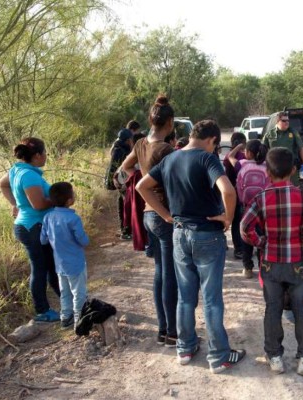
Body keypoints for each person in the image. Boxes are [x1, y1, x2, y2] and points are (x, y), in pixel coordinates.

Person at [136, 119, 246, 374]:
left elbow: (142, 186)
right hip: (207, 235)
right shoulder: (208, 159)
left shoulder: (171, 158)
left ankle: (185, 348)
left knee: (185, 296)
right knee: (211, 299)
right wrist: (228, 218)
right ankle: (219, 356)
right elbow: (228, 191)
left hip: (179, 234)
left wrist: (165, 214)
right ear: (212, 141)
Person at [241, 147, 303, 377]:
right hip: (297, 262)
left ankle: (275, 357)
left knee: (273, 309)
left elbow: (244, 227)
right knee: (301, 310)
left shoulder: (260, 198)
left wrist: (261, 243)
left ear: (267, 172)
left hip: (270, 262)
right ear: (293, 170)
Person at [121, 95, 177, 346]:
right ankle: (172, 332)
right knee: (170, 276)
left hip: (146, 214)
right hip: (162, 214)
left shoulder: (141, 143)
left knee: (159, 273)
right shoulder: (166, 149)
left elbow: (125, 168)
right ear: (171, 122)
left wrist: (140, 179)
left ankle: (163, 329)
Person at [0, 137, 61, 322]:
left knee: (50, 266)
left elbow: (2, 184)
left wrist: (15, 204)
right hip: (32, 228)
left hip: (32, 226)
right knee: (41, 268)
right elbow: (39, 204)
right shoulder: (29, 176)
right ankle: (42, 311)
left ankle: (70, 301)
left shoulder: (17, 169)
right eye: (45, 153)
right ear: (37, 155)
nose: (46, 156)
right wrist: (60, 199)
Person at [40, 182, 89, 330]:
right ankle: (79, 321)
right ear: (69, 201)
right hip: (76, 263)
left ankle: (65, 318)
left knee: (65, 292)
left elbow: (43, 240)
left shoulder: (48, 217)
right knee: (79, 293)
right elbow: (83, 240)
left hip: (59, 264)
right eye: (72, 194)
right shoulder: (73, 219)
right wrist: (86, 239)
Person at [228, 139, 269, 278]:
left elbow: (229, 157)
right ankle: (263, 267)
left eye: (245, 151)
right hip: (264, 208)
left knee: (246, 236)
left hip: (246, 208)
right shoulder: (267, 166)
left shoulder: (242, 164)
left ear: (249, 153)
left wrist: (238, 146)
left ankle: (247, 268)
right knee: (263, 236)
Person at [105, 120, 140, 240]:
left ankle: (125, 229)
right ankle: (125, 231)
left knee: (123, 204)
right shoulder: (123, 150)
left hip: (120, 182)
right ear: (129, 140)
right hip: (123, 183)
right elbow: (120, 169)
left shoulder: (117, 147)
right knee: (125, 205)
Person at [261, 112, 303, 186]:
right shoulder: (269, 134)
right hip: (275, 167)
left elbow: (301, 148)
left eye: (288, 121)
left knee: (294, 187)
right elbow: (263, 149)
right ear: (277, 121)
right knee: (277, 188)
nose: (287, 122)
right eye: (284, 121)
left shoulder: (293, 132)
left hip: (291, 167)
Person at [223, 132, 247, 260]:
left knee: (236, 222)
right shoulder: (242, 157)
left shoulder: (228, 156)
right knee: (241, 221)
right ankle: (241, 248)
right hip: (241, 194)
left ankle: (239, 249)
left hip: (232, 192)